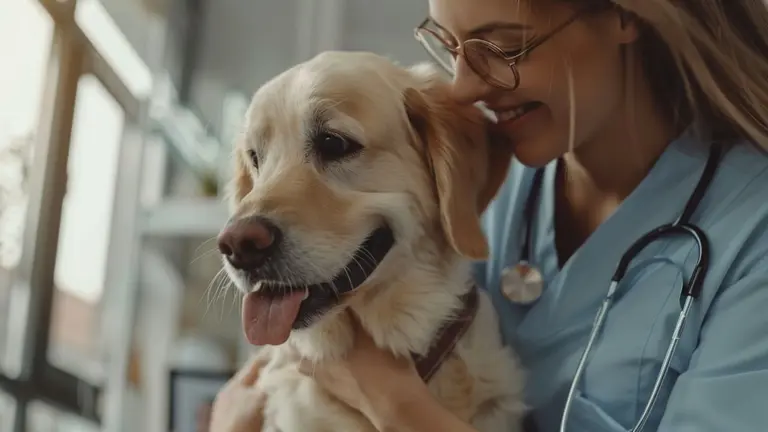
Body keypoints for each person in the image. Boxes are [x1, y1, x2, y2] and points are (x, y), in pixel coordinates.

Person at [212, 0, 768, 431]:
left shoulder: (750, 230)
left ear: (625, 13)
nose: (464, 86)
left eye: (504, 48)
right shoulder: (470, 179)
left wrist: (395, 401)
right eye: (449, 47)